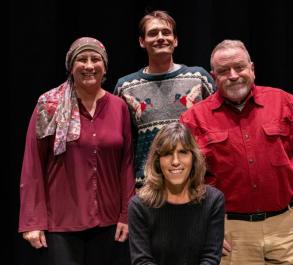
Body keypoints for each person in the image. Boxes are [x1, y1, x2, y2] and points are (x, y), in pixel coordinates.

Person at [180, 40, 293, 265]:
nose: (233, 75)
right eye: (223, 71)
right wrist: (205, 228)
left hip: (286, 229)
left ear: (252, 69)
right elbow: (184, 180)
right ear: (213, 77)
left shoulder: (285, 103)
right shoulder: (194, 119)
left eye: (239, 67)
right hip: (230, 233)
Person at [18, 37, 135, 265]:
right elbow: (33, 165)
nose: (89, 65)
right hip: (60, 223)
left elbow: (126, 163)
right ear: (71, 67)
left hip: (109, 223)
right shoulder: (48, 105)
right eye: (82, 59)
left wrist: (127, 215)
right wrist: (33, 221)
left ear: (105, 67)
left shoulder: (118, 106)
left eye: (95, 59)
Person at [114, 10, 215, 188]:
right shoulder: (125, 87)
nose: (160, 37)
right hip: (147, 186)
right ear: (141, 41)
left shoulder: (200, 78)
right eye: (153, 33)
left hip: (194, 183)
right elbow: (120, 143)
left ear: (175, 40)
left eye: (166, 33)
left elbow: (219, 126)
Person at [128, 122, 225, 265]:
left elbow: (210, 258)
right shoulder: (139, 206)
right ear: (157, 161)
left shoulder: (213, 201)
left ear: (193, 157)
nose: (175, 161)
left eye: (183, 152)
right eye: (167, 154)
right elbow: (142, 261)